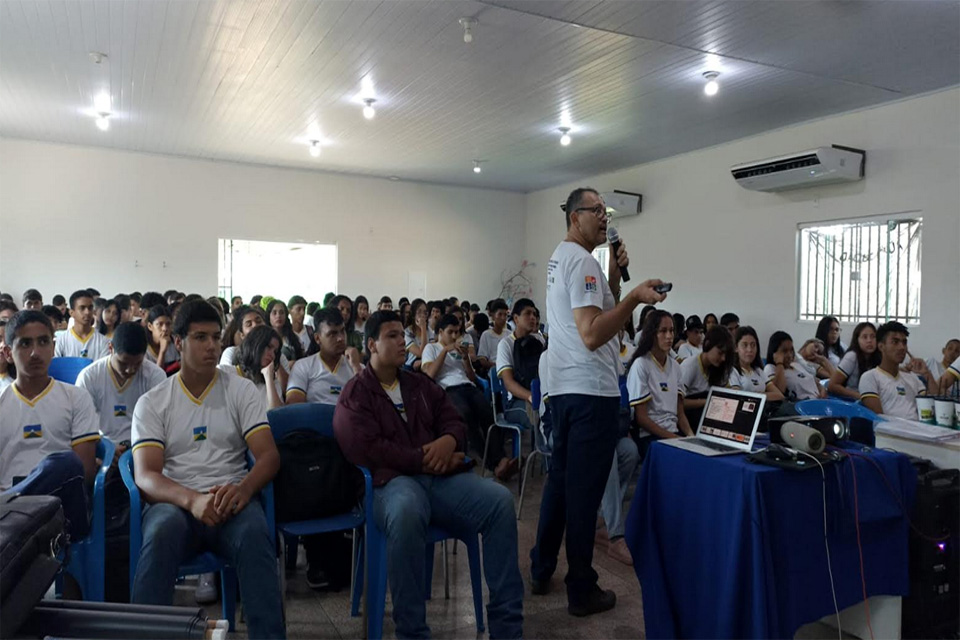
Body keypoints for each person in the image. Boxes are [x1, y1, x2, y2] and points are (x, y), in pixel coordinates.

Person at [333, 311, 523, 638]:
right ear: (371, 346)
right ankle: (412, 632)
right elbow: (366, 448)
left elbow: (454, 421)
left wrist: (449, 442)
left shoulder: (419, 383)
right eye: (391, 336)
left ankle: (508, 629)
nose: (401, 342)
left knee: (500, 502)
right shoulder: (356, 393)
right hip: (389, 484)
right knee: (406, 512)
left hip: (439, 479)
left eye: (400, 335)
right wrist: (425, 458)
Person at [531, 187, 666, 617]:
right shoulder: (581, 260)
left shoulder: (563, 257)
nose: (604, 218)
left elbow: (591, 308)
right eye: (596, 211)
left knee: (560, 482)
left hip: (567, 389)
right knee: (584, 495)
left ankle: (541, 566)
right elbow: (592, 334)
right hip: (592, 393)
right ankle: (581, 587)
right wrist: (634, 298)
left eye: (605, 212)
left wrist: (614, 272)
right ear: (575, 217)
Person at [129, 300, 284, 639]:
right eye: (200, 337)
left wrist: (244, 489)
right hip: (175, 503)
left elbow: (269, 456)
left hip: (231, 499)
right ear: (179, 342)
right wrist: (192, 500)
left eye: (215, 337)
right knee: (158, 536)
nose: (212, 346)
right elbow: (146, 475)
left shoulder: (240, 390)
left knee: (256, 537)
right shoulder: (153, 402)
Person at [0, 311, 100, 540]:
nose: (35, 352)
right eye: (25, 343)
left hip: (62, 510)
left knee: (65, 464)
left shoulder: (76, 398)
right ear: (7, 352)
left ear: (53, 347)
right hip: (9, 519)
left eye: (43, 342)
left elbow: (83, 472)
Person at [421, 314, 502, 476]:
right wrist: (444, 351)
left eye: (457, 332)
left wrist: (465, 358)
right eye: (450, 332)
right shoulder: (431, 348)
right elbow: (429, 375)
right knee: (465, 416)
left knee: (487, 413)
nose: (454, 336)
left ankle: (501, 459)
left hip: (467, 386)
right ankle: (493, 464)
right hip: (448, 390)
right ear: (440, 332)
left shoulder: (459, 350)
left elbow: (471, 377)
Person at [76, 322, 167, 446]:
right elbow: (81, 426)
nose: (130, 370)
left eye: (137, 364)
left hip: (143, 445)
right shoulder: (89, 377)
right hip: (102, 445)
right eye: (123, 363)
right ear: (111, 348)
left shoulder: (155, 376)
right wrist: (104, 448)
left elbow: (160, 424)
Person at [628, 311, 693, 452]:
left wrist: (691, 436)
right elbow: (642, 418)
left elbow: (680, 413)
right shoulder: (641, 364)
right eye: (663, 331)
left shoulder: (675, 366)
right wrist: (674, 439)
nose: (669, 336)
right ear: (652, 334)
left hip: (673, 433)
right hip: (650, 436)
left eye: (671, 331)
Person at [859, 322, 938, 420]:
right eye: (895, 342)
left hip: (919, 431)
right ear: (881, 346)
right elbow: (879, 420)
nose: (902, 347)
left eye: (904, 343)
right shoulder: (870, 377)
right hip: (891, 433)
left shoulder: (912, 377)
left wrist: (927, 374)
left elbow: (935, 407)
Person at [286, 307, 360, 406]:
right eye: (332, 334)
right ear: (317, 338)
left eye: (342, 331)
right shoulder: (303, 367)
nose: (340, 338)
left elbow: (368, 407)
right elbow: (294, 407)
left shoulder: (356, 368)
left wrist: (356, 368)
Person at [224, 325, 287, 409]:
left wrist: (268, 378)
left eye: (275, 352)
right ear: (255, 344)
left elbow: (276, 416)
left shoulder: (272, 383)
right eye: (269, 347)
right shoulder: (226, 372)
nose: (272, 355)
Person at [679, 326, 734, 411]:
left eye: (726, 354)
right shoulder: (689, 366)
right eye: (720, 353)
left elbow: (728, 393)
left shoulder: (720, 367)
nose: (723, 358)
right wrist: (706, 402)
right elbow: (676, 403)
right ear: (708, 344)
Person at [764, 332, 826, 401]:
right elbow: (780, 391)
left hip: (818, 400)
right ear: (774, 352)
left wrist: (822, 389)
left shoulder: (796, 365)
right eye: (784, 351)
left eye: (791, 350)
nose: (790, 355)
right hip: (802, 405)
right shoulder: (770, 368)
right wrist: (779, 363)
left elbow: (815, 382)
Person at [827, 322, 880, 400]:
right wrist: (859, 396)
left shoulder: (878, 356)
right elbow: (832, 385)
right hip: (850, 401)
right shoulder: (852, 356)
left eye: (873, 337)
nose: (869, 341)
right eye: (864, 337)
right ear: (857, 340)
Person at [729, 326, 784, 401]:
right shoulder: (732, 371)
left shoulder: (758, 371)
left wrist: (755, 396)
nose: (750, 349)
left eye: (753, 345)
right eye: (745, 345)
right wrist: (762, 396)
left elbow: (779, 395)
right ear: (736, 348)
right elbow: (737, 398)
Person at [55, 290, 110, 360]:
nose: (87, 312)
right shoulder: (62, 340)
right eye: (82, 308)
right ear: (72, 313)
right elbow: (58, 368)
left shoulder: (103, 341)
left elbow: (103, 369)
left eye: (90, 308)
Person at [265, 299, 304, 364]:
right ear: (269, 316)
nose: (278, 316)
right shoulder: (264, 339)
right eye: (274, 313)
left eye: (281, 313)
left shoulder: (293, 337)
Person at [477, 299, 510, 375]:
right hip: (494, 370)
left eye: (505, 315)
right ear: (493, 316)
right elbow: (482, 360)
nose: (503, 318)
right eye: (500, 314)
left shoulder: (509, 334)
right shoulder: (486, 335)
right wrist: (497, 366)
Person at [144, 305, 179, 371]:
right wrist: (162, 351)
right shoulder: (144, 349)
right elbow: (157, 378)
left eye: (168, 324)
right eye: (160, 324)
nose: (165, 329)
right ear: (150, 326)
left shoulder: (174, 341)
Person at [403, 299, 429, 369]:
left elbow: (431, 350)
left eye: (425, 312)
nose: (422, 316)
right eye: (419, 312)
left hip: (426, 362)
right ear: (413, 315)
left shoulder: (429, 330)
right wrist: (423, 328)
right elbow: (421, 353)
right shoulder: (407, 332)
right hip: (410, 366)